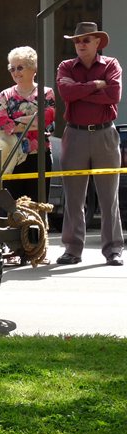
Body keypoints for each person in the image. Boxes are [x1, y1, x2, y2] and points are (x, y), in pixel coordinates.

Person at [55, 22, 123, 266]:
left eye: (86, 40)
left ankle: (113, 249)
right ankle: (72, 249)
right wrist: (96, 86)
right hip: (75, 134)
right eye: (76, 40)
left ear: (97, 43)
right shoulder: (65, 66)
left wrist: (80, 90)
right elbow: (65, 93)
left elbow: (114, 95)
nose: (80, 44)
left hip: (105, 134)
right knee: (73, 197)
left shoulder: (112, 64)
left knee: (109, 197)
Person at [0, 46, 55, 205]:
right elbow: (2, 123)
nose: (15, 72)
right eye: (12, 68)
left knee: (38, 206)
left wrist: (16, 122)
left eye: (20, 67)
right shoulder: (5, 95)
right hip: (11, 157)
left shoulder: (46, 93)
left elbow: (46, 122)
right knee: (13, 209)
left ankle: (36, 232)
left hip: (39, 157)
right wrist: (33, 120)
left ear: (33, 68)